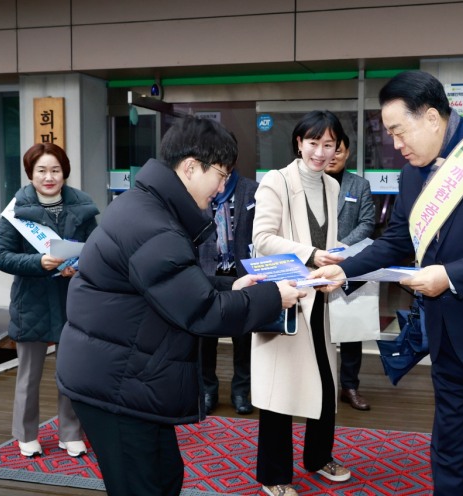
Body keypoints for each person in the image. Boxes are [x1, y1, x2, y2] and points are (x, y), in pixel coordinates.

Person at [311, 71, 463, 495]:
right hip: (447, 338)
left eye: (399, 132)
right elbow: (399, 239)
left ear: (433, 118)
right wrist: (345, 269)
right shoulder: (411, 175)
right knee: (449, 450)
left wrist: (451, 275)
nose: (396, 145)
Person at [55, 116, 305, 496]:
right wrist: (274, 296)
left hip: (127, 372)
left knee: (165, 477)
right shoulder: (153, 225)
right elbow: (201, 312)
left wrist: (232, 285)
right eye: (220, 175)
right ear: (190, 167)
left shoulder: (147, 208)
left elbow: (173, 284)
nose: (222, 188)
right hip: (115, 383)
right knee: (142, 486)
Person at [251, 110, 351, 496]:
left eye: (329, 145)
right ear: (299, 142)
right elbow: (262, 238)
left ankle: (318, 456)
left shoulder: (331, 185)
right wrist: (313, 255)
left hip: (319, 295)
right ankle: (273, 476)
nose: (321, 152)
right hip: (287, 299)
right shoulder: (276, 181)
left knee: (325, 381)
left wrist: (335, 262)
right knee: (281, 390)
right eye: (314, 143)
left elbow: (330, 241)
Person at [0, 143, 99, 458]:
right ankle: (26, 434)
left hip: (71, 300)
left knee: (71, 371)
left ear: (64, 172)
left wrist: (78, 267)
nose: (49, 177)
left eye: (55, 170)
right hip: (32, 302)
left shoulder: (82, 205)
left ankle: (70, 432)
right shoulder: (16, 210)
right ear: (30, 173)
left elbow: (96, 247)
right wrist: (38, 264)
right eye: (41, 170)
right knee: (29, 373)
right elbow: (1, 256)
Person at [198, 169, 259, 415]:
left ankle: (240, 391)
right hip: (206, 274)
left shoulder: (252, 189)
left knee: (244, 338)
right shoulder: (199, 186)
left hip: (241, 273)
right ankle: (208, 390)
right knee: (205, 339)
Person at [323, 134, 376, 411]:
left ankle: (350, 386)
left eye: (337, 150)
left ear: (347, 152)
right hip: (316, 265)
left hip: (349, 265)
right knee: (319, 329)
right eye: (327, 148)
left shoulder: (360, 184)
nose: (331, 156)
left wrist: (341, 248)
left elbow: (368, 223)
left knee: (352, 330)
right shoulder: (311, 182)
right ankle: (322, 383)